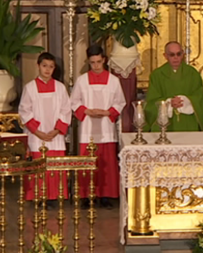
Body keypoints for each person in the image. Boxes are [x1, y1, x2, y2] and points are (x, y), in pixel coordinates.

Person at [71, 44, 126, 209]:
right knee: (87, 163)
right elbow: (74, 101)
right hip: (88, 127)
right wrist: (87, 111)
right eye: (92, 62)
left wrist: (108, 112)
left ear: (104, 60)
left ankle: (105, 196)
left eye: (98, 62)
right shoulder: (81, 80)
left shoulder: (113, 81)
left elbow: (120, 102)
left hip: (106, 127)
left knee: (106, 163)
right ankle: (87, 196)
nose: (95, 66)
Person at [18, 52, 71, 204]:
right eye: (44, 66)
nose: (47, 70)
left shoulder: (60, 88)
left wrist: (56, 130)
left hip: (55, 135)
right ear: (38, 66)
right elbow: (24, 110)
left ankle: (55, 196)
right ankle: (38, 196)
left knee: (55, 165)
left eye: (51, 67)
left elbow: (66, 110)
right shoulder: (30, 88)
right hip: (37, 136)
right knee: (39, 165)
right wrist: (38, 132)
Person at [144, 41, 203, 132]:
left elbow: (199, 97)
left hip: (188, 121)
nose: (176, 58)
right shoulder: (157, 75)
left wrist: (185, 100)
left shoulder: (192, 73)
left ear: (183, 54)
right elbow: (151, 101)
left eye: (179, 54)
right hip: (164, 121)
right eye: (172, 55)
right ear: (165, 56)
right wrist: (169, 102)